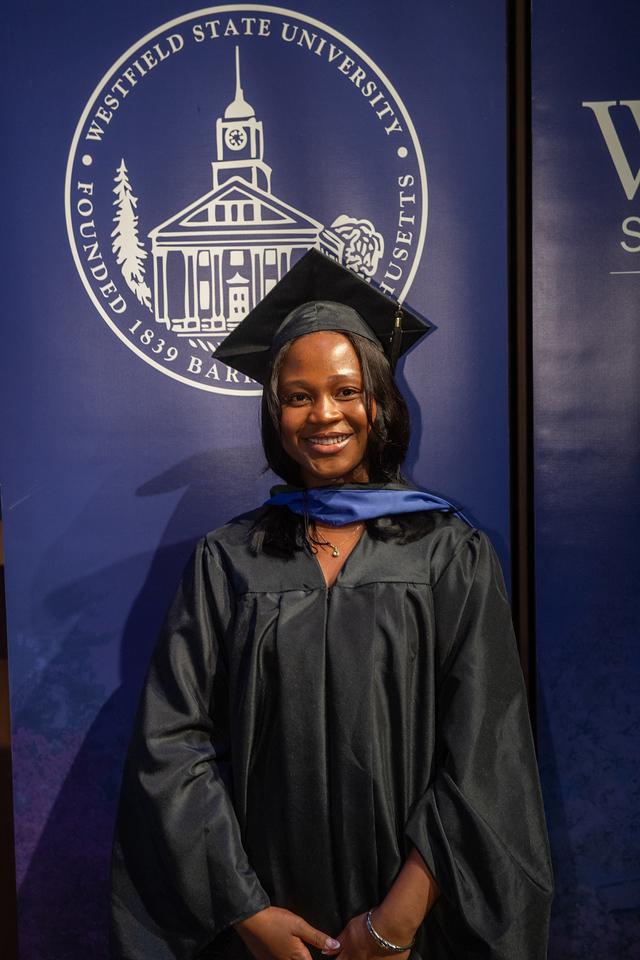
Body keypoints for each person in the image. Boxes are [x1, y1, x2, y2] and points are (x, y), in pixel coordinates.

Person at [109, 250, 554, 960]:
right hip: (262, 915)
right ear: (275, 410)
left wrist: (395, 924)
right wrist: (247, 912)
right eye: (297, 395)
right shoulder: (230, 560)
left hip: (414, 921)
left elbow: (486, 752)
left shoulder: (447, 554)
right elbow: (172, 743)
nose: (324, 414)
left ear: (379, 400)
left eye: (346, 390)